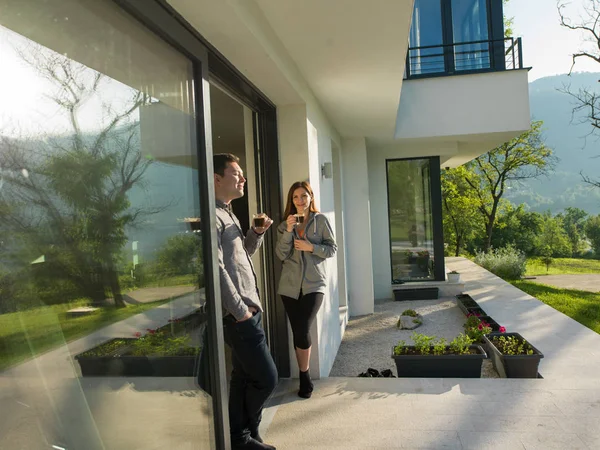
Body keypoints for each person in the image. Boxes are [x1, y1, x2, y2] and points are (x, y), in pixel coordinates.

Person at [212, 153, 278, 450]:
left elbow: (241, 258)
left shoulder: (229, 212)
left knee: (242, 378)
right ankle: (241, 435)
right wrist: (240, 311)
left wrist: (257, 233)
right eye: (237, 174)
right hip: (239, 315)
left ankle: (246, 436)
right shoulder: (212, 216)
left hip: (249, 309)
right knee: (267, 378)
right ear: (217, 178)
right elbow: (216, 268)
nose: (243, 179)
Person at [275, 181, 337, 398]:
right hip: (289, 286)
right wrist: (289, 230)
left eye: (303, 196)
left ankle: (305, 374)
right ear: (291, 201)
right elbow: (281, 254)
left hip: (314, 284)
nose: (300, 201)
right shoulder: (285, 225)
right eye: (295, 197)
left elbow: (331, 249)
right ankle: (304, 375)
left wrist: (312, 247)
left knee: (302, 328)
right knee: (298, 330)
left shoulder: (320, 221)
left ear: (311, 197)